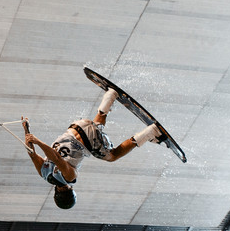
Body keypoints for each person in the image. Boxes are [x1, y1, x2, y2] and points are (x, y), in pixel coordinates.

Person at [22, 88, 164, 209]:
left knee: (113, 156)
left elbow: (57, 158)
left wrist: (38, 141)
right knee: (97, 135)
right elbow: (31, 154)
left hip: (87, 139)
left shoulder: (69, 178)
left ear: (70, 192)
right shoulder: (44, 173)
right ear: (56, 193)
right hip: (77, 125)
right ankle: (110, 96)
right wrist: (26, 130)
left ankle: (150, 132)